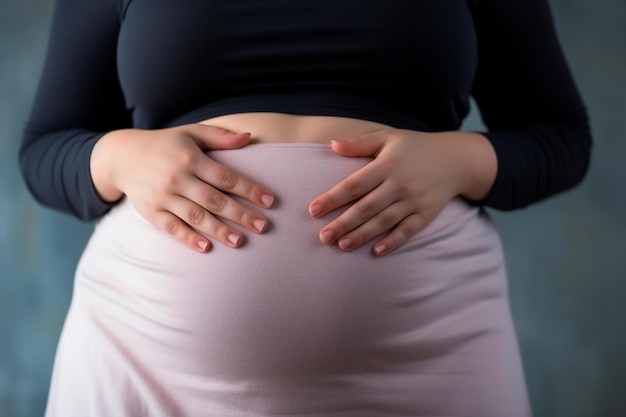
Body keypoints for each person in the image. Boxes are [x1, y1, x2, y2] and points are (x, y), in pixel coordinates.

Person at [19, 0, 591, 416]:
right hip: (145, 356)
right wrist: (117, 157)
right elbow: (45, 147)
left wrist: (463, 159)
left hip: (433, 348)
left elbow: (562, 139)